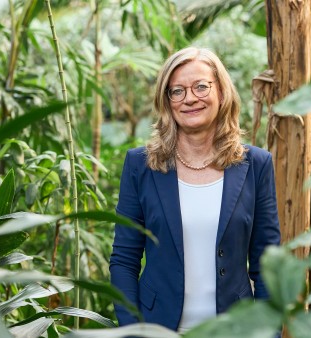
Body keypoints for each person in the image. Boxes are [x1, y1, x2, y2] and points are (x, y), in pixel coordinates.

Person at [109, 47, 281, 333]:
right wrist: (132, 331)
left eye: (201, 86)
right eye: (177, 91)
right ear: (167, 101)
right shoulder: (141, 165)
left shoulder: (256, 165)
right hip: (158, 329)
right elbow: (124, 260)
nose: (189, 98)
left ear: (222, 93)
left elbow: (267, 265)